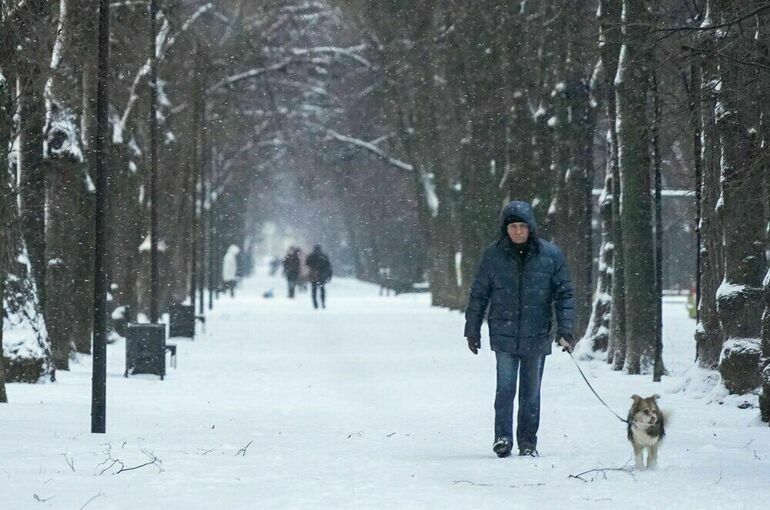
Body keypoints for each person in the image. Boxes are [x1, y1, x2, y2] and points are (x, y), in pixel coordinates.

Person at [464, 200, 575, 458]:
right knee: (505, 389)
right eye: (513, 226)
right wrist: (472, 328)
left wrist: (566, 328)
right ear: (506, 228)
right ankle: (502, 437)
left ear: (530, 228)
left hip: (537, 334)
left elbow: (565, 294)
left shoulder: (551, 256)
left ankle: (528, 441)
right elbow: (479, 294)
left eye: (522, 226)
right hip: (503, 334)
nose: (517, 231)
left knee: (531, 393)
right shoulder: (493, 256)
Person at [305, 245, 333, 309]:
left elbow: (307, 263)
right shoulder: (324, 256)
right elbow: (328, 266)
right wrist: (328, 276)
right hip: (322, 276)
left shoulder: (311, 256)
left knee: (314, 291)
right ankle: (323, 303)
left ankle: (315, 305)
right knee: (322, 290)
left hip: (314, 275)